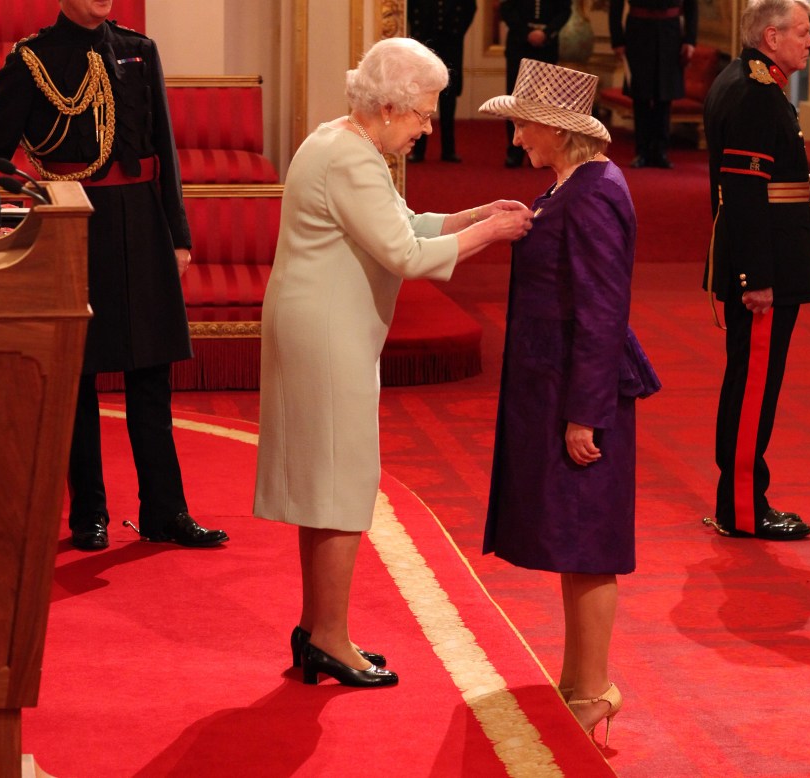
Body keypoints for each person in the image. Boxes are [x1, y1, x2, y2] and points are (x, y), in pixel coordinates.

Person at [252, 37, 533, 689]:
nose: (429, 128)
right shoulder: (349, 156)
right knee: (343, 483)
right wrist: (492, 232)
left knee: (327, 483)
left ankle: (317, 629)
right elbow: (406, 257)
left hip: (324, 325)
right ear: (386, 106)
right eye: (423, 115)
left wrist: (475, 213)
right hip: (326, 332)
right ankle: (329, 635)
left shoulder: (346, 143)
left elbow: (404, 224)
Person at [0, 0, 228, 551]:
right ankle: (88, 515)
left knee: (152, 375)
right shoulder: (32, 60)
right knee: (78, 377)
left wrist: (179, 234)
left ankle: (165, 512)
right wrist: (14, 213)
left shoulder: (138, 51)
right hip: (73, 226)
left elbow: (162, 149)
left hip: (143, 223)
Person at [479, 58, 660, 744]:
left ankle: (591, 691)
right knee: (573, 539)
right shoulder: (570, 185)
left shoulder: (595, 193)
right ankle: (576, 681)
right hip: (554, 389)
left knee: (589, 542)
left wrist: (586, 412)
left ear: (558, 130)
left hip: (580, 396)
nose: (518, 137)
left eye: (525, 125)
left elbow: (603, 311)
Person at [701, 0, 810, 540]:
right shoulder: (755, 91)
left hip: (768, 257)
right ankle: (744, 510)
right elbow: (746, 193)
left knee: (749, 384)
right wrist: (758, 279)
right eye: (803, 32)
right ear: (771, 37)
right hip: (765, 266)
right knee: (754, 388)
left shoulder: (747, 77)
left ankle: (738, 500)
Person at [609, 0, 698, 168]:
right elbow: (616, 5)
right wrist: (617, 40)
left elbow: (691, 6)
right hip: (638, 33)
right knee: (640, 95)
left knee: (664, 95)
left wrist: (690, 39)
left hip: (670, 33)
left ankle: (661, 151)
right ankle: (642, 151)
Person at [499, 0, 573, 167]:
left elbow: (565, 11)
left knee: (544, 103)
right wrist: (527, 33)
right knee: (516, 103)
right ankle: (515, 150)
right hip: (519, 46)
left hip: (547, 47)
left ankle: (542, 153)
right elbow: (506, 8)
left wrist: (547, 32)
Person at [406, 0, 477, 163]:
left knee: (448, 99)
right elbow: (410, 8)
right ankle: (418, 150)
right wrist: (418, 30)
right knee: (421, 99)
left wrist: (458, 32)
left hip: (451, 43)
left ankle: (449, 150)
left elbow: (470, 8)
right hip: (425, 42)